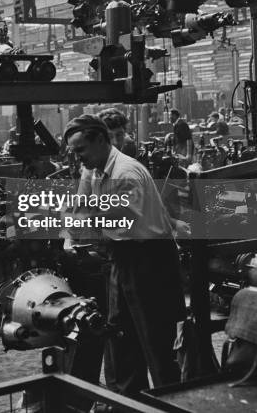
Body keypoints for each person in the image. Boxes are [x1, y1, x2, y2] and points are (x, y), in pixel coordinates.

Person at [64, 114, 186, 396]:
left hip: (150, 260)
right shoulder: (93, 169)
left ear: (99, 140)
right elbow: (80, 208)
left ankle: (171, 401)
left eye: (81, 150)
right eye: (74, 152)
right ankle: (130, 402)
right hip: (123, 257)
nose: (78, 158)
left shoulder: (125, 173)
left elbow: (117, 223)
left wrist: (83, 222)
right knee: (121, 339)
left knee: (156, 344)